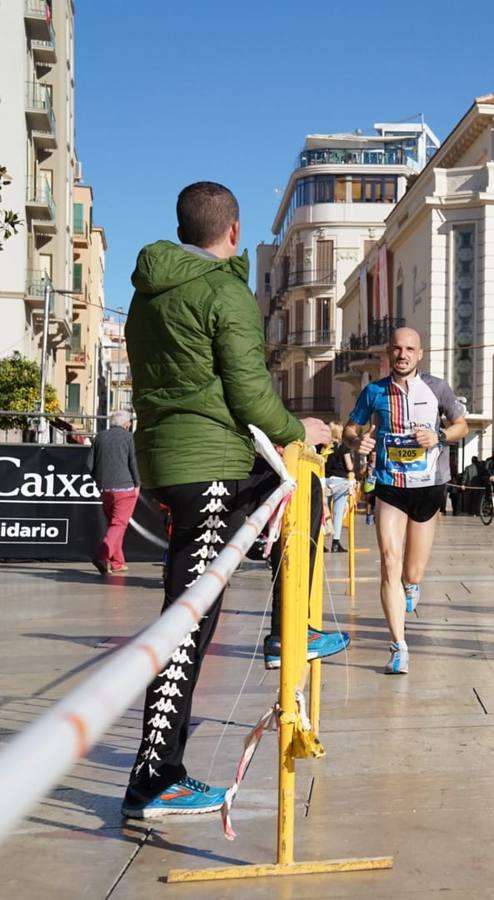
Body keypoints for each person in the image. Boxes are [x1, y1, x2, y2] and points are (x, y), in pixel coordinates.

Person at [121, 182, 349, 819]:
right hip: (210, 466)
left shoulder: (147, 295)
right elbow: (249, 394)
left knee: (288, 496)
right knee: (187, 623)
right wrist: (301, 429)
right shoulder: (225, 292)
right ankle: (153, 780)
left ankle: (287, 629)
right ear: (235, 231)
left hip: (169, 461)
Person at [345, 328, 468, 674]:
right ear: (389, 353)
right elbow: (350, 429)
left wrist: (439, 435)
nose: (403, 355)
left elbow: (462, 425)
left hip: (428, 486)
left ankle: (412, 585)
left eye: (409, 349)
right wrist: (358, 443)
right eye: (397, 349)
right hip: (389, 485)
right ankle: (398, 646)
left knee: (411, 571)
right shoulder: (374, 391)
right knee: (389, 560)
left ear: (420, 354)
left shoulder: (438, 388)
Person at [91, 410, 140, 576]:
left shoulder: (100, 436)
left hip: (105, 489)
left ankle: (117, 563)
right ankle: (101, 555)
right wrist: (137, 484)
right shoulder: (128, 437)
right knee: (119, 524)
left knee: (114, 525)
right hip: (125, 487)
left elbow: (89, 465)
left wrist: (99, 482)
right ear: (126, 424)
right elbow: (132, 462)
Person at [324, 422, 355, 552]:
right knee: (338, 513)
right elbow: (349, 466)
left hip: (326, 481)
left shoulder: (325, 447)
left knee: (324, 513)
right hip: (340, 483)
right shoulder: (343, 447)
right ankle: (335, 544)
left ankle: (320, 544)